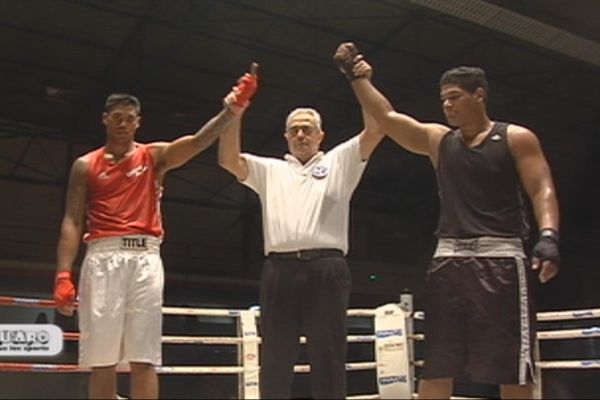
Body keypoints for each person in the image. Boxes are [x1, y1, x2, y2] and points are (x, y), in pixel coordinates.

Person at [333, 43, 560, 399]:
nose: (447, 105)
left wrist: (549, 236)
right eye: (443, 99)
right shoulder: (439, 141)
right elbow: (389, 119)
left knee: (510, 366)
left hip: (500, 261)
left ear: (479, 95)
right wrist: (356, 77)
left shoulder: (515, 137)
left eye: (455, 97)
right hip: (448, 262)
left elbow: (541, 187)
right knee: (439, 361)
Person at [52, 65, 258, 399]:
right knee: (101, 358)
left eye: (129, 118)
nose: (123, 124)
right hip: (102, 257)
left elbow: (198, 142)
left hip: (145, 258)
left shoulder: (154, 156)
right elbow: (72, 220)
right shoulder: (85, 165)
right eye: (117, 117)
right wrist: (63, 273)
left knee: (144, 356)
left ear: (138, 121)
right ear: (105, 118)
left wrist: (233, 108)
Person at [218, 65, 384, 399]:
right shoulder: (270, 168)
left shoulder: (340, 161)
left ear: (320, 135)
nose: (300, 135)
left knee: (329, 356)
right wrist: (234, 111)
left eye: (307, 129)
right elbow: (227, 159)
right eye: (294, 130)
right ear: (286, 136)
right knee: (276, 357)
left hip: (327, 268)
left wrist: (361, 79)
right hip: (278, 269)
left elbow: (378, 127)